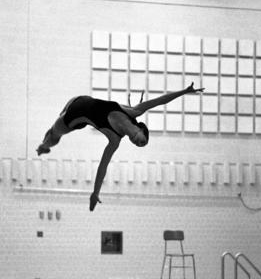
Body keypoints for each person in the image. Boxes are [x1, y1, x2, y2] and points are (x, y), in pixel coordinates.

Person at [36, 82, 204, 211]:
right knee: (54, 128)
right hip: (80, 99)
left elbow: (103, 167)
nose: (137, 143)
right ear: (141, 129)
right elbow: (161, 101)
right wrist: (185, 91)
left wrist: (95, 193)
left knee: (54, 134)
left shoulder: (114, 140)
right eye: (142, 141)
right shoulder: (134, 111)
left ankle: (43, 146)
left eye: (138, 145)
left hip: (73, 119)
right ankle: (44, 143)